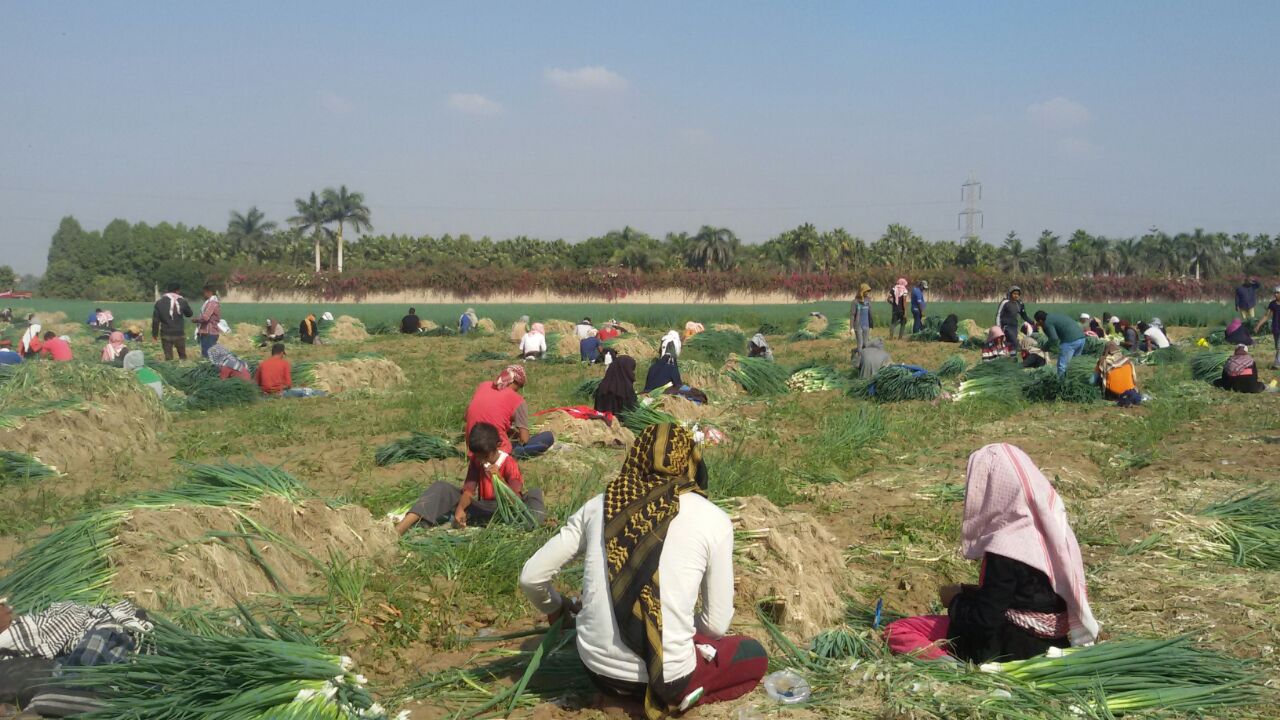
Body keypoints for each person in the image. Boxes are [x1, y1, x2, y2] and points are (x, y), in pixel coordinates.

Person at [519, 423, 766, 717]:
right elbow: (715, 625)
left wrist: (558, 609)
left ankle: (624, 697)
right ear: (691, 462)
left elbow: (532, 576)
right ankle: (674, 699)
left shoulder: (600, 506)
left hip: (597, 672)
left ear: (637, 456)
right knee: (753, 656)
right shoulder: (714, 520)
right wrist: (673, 635)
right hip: (669, 676)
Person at [884, 443, 1100, 664]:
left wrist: (955, 601)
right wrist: (967, 591)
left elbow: (985, 619)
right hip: (1054, 643)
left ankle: (952, 669)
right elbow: (1021, 595)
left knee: (899, 630)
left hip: (1008, 647)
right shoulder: (1054, 530)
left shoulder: (1008, 545)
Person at [395, 422, 545, 534]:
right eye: (478, 457)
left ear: (497, 446)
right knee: (441, 488)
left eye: (485, 457)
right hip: (482, 509)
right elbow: (468, 491)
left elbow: (515, 500)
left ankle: (534, 524)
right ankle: (401, 528)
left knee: (534, 496)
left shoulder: (509, 463)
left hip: (505, 511)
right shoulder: (477, 461)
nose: (481, 461)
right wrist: (460, 509)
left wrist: (499, 479)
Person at [465, 365, 556, 460]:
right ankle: (509, 456)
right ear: (515, 382)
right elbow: (524, 439)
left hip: (473, 450)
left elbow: (467, 416)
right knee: (548, 437)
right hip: (495, 455)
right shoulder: (517, 400)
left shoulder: (484, 385)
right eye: (520, 386)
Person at [1035, 311, 1086, 377]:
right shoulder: (1053, 315)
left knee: (1062, 366)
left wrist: (1045, 347)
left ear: (1040, 320)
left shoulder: (1047, 323)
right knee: (1075, 364)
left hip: (1070, 341)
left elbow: (1054, 338)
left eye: (1038, 322)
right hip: (1081, 338)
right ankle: (1076, 379)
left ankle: (1061, 384)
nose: (1038, 324)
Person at [151, 282, 193, 361]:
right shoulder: (182, 301)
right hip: (179, 333)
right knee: (182, 356)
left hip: (165, 333)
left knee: (168, 357)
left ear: (167, 290)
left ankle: (170, 370)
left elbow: (155, 321)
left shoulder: (159, 302)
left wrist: (154, 335)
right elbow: (189, 314)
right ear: (178, 291)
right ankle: (183, 368)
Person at [1253, 286, 1280, 369]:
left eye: (1277, 293)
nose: (1275, 294)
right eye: (1274, 293)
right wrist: (1258, 325)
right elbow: (1266, 316)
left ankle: (1277, 364)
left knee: (1279, 346)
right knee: (1277, 347)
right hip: (1276, 328)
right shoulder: (1272, 304)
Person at [195, 285, 222, 358]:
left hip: (209, 332)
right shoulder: (209, 302)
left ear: (209, 292)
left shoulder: (212, 303)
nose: (203, 295)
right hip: (206, 332)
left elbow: (205, 318)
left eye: (204, 293)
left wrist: (196, 320)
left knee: (208, 356)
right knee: (206, 354)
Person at [850, 283, 874, 349]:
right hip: (858, 325)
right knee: (860, 343)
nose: (867, 293)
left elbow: (870, 313)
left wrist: (871, 325)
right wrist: (851, 328)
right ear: (862, 291)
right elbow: (852, 315)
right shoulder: (855, 302)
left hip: (866, 325)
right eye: (866, 291)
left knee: (865, 344)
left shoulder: (868, 301)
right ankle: (859, 357)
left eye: (868, 291)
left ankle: (863, 357)